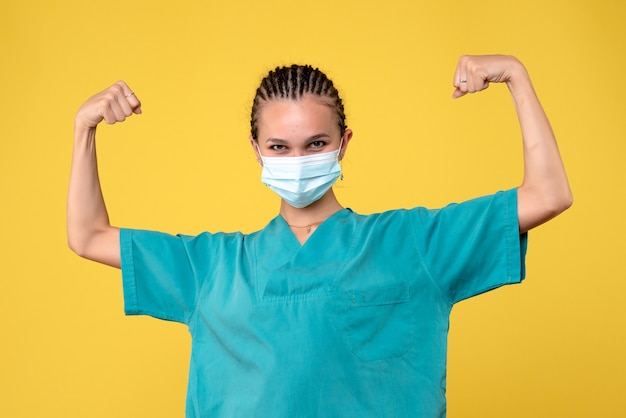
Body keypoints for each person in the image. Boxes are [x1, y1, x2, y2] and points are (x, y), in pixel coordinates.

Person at [67, 55, 572, 417]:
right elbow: (88, 235)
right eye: (279, 146)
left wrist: (517, 77)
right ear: (256, 150)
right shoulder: (212, 267)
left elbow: (548, 194)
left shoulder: (414, 244)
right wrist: (83, 129)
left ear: (343, 144)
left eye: (316, 143)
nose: (299, 161)